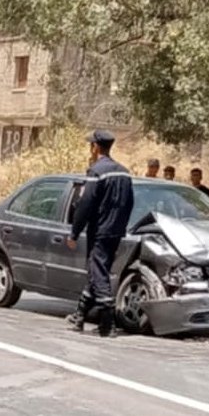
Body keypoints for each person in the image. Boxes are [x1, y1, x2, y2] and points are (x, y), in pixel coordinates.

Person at [66, 130, 135, 337]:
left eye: (91, 146)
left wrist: (74, 233)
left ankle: (108, 323)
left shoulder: (97, 172)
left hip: (100, 231)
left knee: (98, 273)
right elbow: (129, 203)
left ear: (95, 147)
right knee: (97, 270)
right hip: (116, 231)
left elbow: (85, 205)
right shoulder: (123, 172)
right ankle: (79, 316)